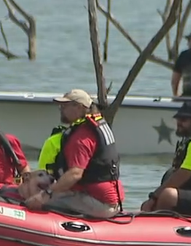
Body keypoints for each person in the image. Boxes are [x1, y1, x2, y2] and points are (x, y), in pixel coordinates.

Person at [24, 89, 125, 219]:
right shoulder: (97, 125)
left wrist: (45, 195)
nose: (61, 109)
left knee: (38, 201)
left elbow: (75, 174)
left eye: (65, 106)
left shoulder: (81, 138)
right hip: (112, 200)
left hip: (100, 203)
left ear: (79, 107)